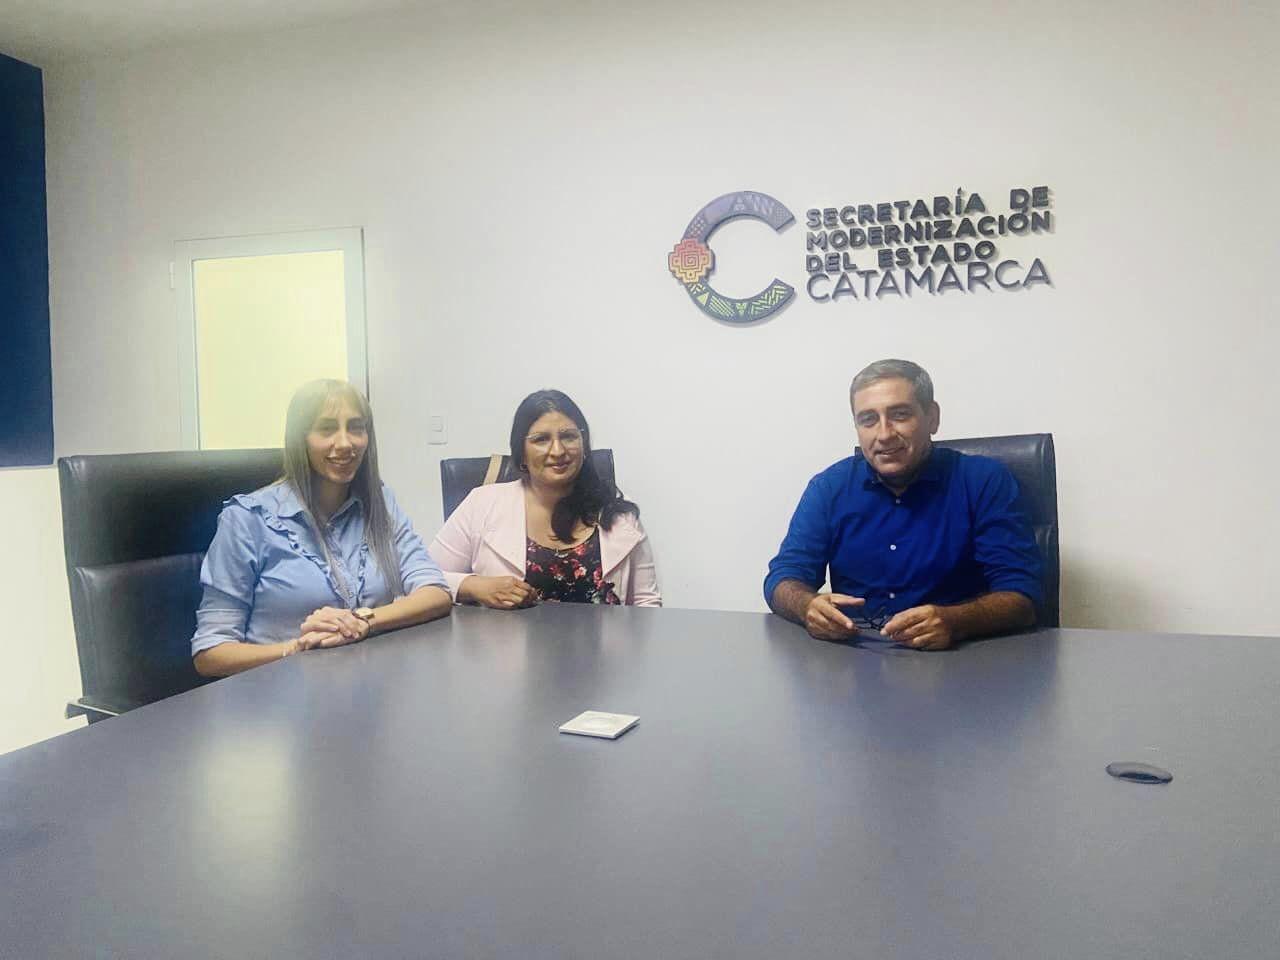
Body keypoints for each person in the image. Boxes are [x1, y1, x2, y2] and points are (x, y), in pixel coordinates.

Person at [764, 359, 1041, 650]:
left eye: (899, 415)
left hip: (959, 656)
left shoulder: (984, 481)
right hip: (856, 657)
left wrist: (955, 621)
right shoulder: (829, 487)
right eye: (868, 419)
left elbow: (1024, 597)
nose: (884, 434)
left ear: (932, 418)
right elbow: (782, 579)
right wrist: (807, 605)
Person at [191, 379, 451, 676]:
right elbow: (211, 653)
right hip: (276, 691)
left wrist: (362, 621)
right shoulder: (247, 520)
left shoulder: (379, 502)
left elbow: (436, 592)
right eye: (326, 429)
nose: (345, 443)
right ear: (300, 439)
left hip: (367, 684)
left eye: (356, 428)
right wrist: (298, 648)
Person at [430, 389, 661, 608]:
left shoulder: (619, 514)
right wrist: (475, 586)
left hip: (608, 639)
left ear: (584, 444)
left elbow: (647, 604)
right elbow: (425, 578)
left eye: (569, 436)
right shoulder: (482, 504)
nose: (558, 451)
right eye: (541, 439)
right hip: (504, 638)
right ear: (521, 452)